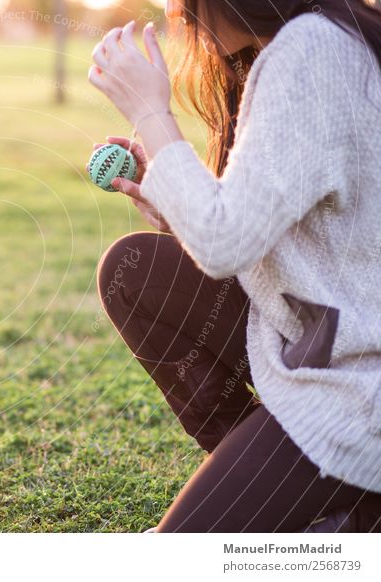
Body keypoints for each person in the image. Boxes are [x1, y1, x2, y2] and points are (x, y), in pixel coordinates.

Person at [90, 0, 381, 532]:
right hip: (318, 344)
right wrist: (176, 200)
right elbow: (268, 224)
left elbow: (224, 242)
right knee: (134, 271)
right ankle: (304, 495)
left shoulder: (313, 51)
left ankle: (347, 507)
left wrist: (150, 111)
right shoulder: (310, 41)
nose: (177, 15)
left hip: (358, 391)